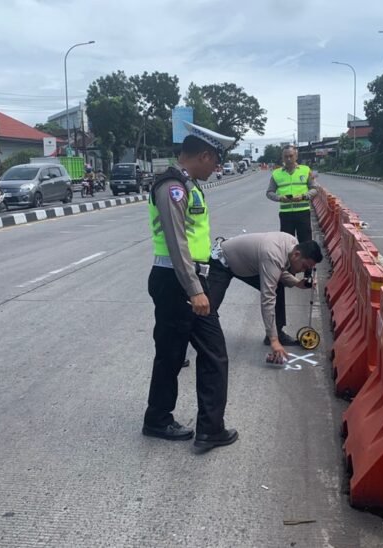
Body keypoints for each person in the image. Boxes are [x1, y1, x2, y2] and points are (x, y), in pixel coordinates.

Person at [143, 121, 238, 451]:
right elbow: (176, 241)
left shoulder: (189, 185)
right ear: (205, 155)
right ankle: (162, 419)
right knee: (178, 353)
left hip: (187, 279)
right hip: (178, 281)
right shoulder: (173, 187)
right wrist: (194, 289)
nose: (217, 169)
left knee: (203, 353)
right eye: (216, 162)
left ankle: (205, 426)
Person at [207, 233, 323, 364]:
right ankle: (189, 339)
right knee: (208, 307)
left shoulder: (292, 244)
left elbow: (279, 269)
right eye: (304, 266)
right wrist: (275, 342)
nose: (303, 270)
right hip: (222, 261)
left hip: (247, 265)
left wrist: (297, 282)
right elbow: (268, 298)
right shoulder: (273, 254)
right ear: (296, 254)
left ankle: (277, 332)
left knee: (278, 284)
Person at [266, 145, 318, 244]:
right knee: (286, 244)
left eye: (291, 156)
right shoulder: (276, 173)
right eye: (286, 156)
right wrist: (280, 198)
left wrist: (304, 196)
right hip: (286, 214)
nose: (288, 159)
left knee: (306, 243)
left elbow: (315, 189)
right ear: (282, 158)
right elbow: (269, 193)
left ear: (296, 156)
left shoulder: (306, 170)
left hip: (303, 213)